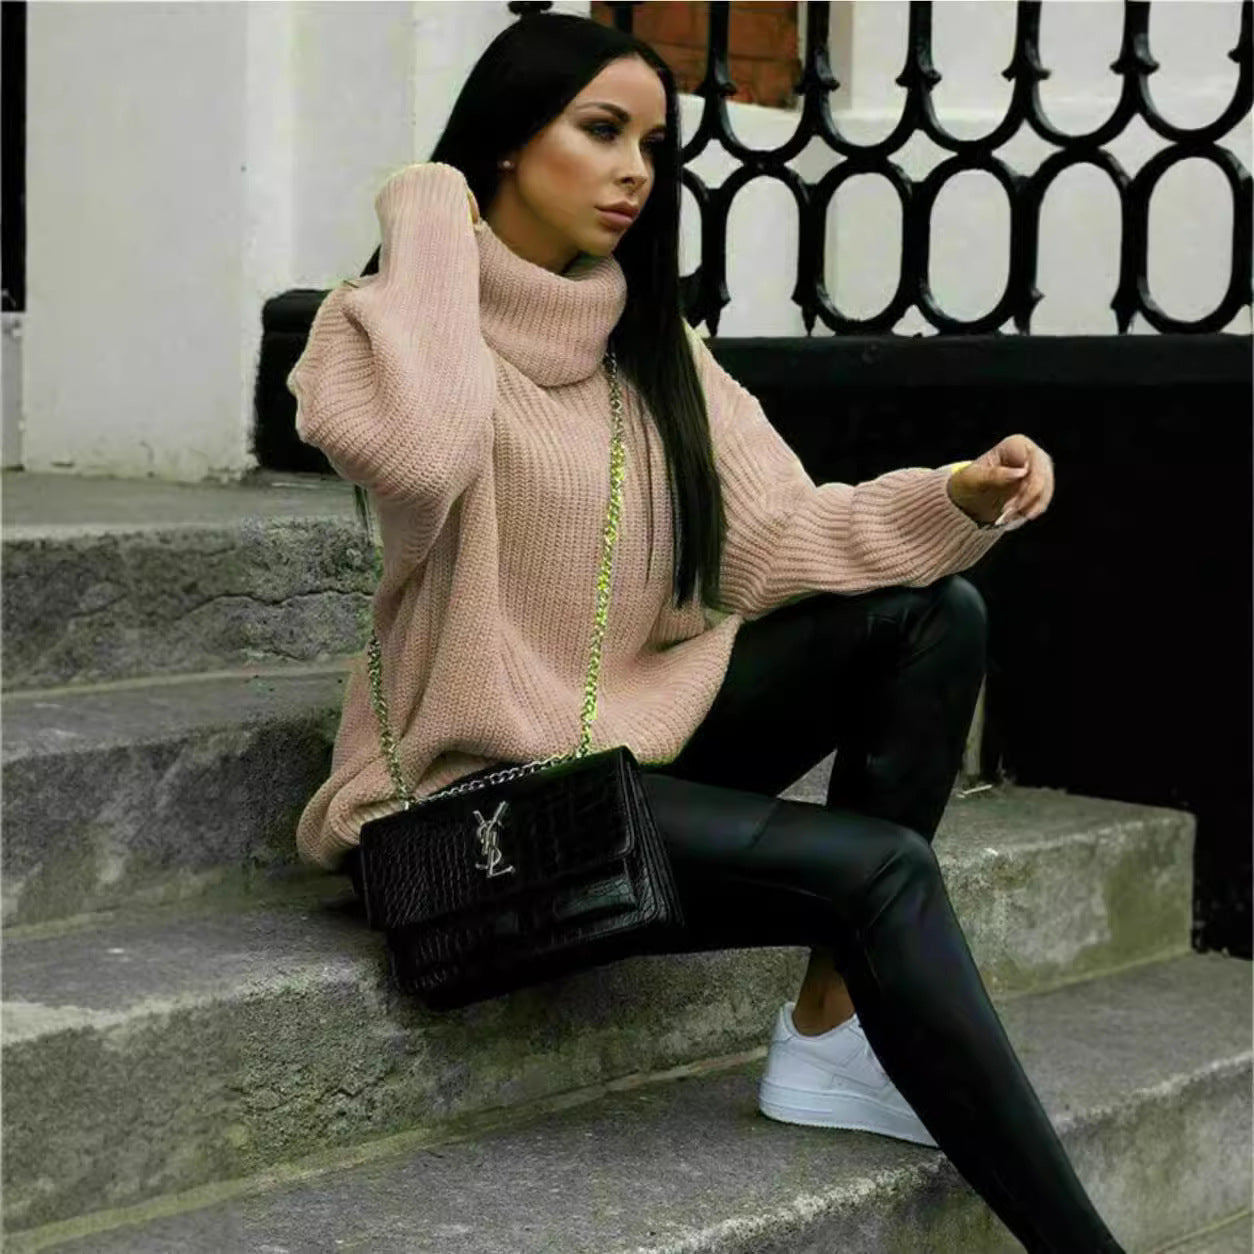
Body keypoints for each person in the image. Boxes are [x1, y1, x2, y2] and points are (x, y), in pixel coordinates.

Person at [285, 13, 1124, 1252]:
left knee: (933, 614)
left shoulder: (653, 351)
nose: (635, 170)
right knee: (879, 869)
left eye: (651, 144)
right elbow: (425, 455)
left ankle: (833, 1034)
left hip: (622, 757)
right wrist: (427, 214)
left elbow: (778, 537)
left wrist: (954, 496)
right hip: (475, 813)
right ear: (505, 144)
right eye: (600, 131)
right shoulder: (375, 329)